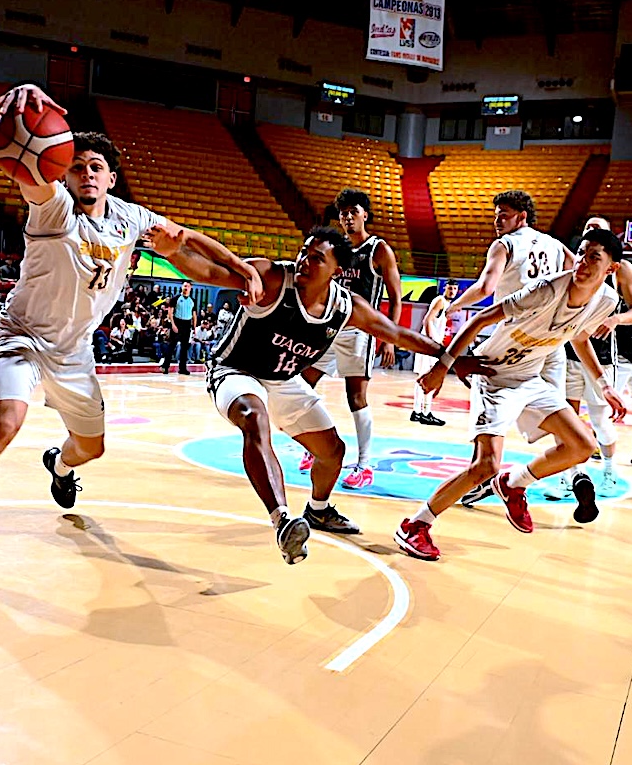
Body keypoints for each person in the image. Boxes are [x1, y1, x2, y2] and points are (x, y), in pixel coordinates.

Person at [0, 83, 261, 589]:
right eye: (76, 166)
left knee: (91, 449)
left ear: (111, 178)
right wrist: (26, 115)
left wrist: (242, 271)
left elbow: (186, 240)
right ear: (62, 171)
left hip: (74, 353)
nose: (86, 173)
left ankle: (59, 465)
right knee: (2, 423)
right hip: (24, 338)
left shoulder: (132, 218)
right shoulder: (53, 207)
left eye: (96, 167)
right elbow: (28, 173)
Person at [147, 223, 490, 564]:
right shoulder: (273, 278)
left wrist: (451, 359)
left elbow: (397, 334)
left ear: (336, 272)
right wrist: (173, 252)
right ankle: (283, 521)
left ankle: (318, 510)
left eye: (316, 258)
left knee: (333, 451)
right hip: (236, 370)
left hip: (283, 381)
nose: (304, 261)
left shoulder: (346, 306)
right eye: (303, 253)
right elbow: (211, 271)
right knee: (254, 417)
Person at [403, 228, 628, 561]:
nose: (582, 262)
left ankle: (514, 484)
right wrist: (442, 367)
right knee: (484, 466)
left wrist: (604, 385)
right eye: (581, 253)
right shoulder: (546, 289)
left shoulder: (606, 300)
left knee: (582, 445)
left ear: (611, 268)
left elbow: (580, 337)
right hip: (494, 375)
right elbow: (481, 319)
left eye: (594, 257)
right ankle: (417, 525)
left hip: (529, 378)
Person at [453, 212, 632, 510]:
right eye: (585, 234)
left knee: (587, 422)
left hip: (569, 349)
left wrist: (615, 322)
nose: (584, 256)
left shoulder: (614, 283)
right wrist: (448, 361)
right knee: (562, 416)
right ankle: (562, 474)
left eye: (596, 233)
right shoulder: (562, 260)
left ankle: (589, 472)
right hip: (532, 341)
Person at [297, 188, 403, 491]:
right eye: (343, 213)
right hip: (329, 326)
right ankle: (316, 445)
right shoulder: (335, 248)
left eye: (353, 211)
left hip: (359, 331)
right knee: (302, 385)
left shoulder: (379, 249)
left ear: (365, 214)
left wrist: (390, 338)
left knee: (356, 397)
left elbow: (395, 298)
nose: (347, 217)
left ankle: (365, 465)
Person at [412, 280, 458, 426]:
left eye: (454, 289)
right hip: (429, 345)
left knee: (422, 378)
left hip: (427, 344)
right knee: (430, 378)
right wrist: (432, 342)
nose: (452, 291)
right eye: (450, 288)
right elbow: (427, 320)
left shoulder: (446, 304)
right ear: (445, 288)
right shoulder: (440, 301)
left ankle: (416, 412)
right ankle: (425, 413)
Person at [163, 281, 196, 374]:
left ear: (190, 288)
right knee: (172, 345)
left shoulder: (192, 300)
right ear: (182, 287)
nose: (186, 288)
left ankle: (182, 368)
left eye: (188, 286)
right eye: (184, 286)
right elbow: (170, 312)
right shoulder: (176, 298)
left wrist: (194, 327)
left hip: (187, 324)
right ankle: (165, 366)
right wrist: (173, 325)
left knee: (184, 348)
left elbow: (194, 315)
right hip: (177, 322)